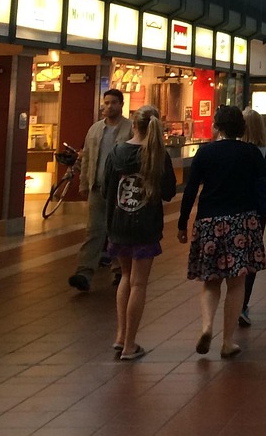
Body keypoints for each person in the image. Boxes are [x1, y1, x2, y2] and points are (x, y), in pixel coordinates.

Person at [177, 104, 266, 359]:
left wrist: (182, 222)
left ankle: (207, 326)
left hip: (209, 221)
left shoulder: (205, 152)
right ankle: (228, 341)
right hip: (242, 221)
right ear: (240, 127)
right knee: (236, 282)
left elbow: (190, 189)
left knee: (211, 281)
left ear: (216, 126)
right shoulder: (249, 152)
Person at [102, 104, 176, 361]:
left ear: (133, 125)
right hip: (145, 225)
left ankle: (120, 336)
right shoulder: (157, 155)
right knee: (139, 283)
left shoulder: (117, 152)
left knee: (125, 277)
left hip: (119, 223)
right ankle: (130, 345)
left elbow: (105, 189)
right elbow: (168, 192)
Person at [69, 88, 131, 292]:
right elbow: (86, 157)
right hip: (98, 187)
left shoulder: (130, 129)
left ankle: (120, 270)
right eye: (106, 103)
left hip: (121, 189)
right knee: (94, 230)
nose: (109, 106)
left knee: (118, 231)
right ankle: (84, 272)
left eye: (113, 102)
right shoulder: (95, 130)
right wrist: (84, 183)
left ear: (121, 105)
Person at [239, 108, 266, 328]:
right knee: (252, 255)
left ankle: (233, 299)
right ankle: (242, 303)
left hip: (233, 210)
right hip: (257, 211)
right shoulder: (263, 151)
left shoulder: (232, 150)